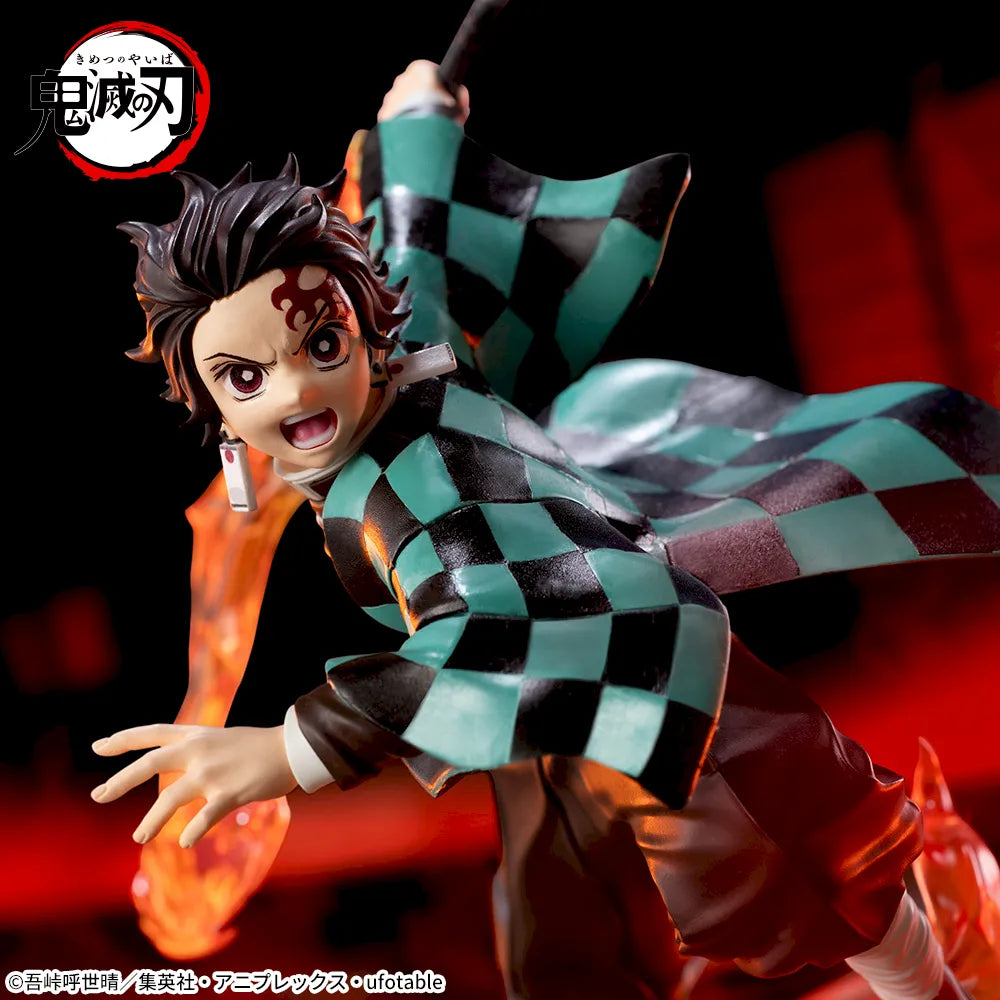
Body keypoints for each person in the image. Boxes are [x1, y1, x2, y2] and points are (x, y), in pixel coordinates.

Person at [95, 61, 996, 998]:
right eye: (246, 377)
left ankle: (935, 974)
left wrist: (295, 749)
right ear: (205, 394)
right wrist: (417, 124)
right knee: (562, 941)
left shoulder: (426, 485)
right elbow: (417, 238)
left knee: (789, 864)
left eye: (321, 346)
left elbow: (495, 619)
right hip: (539, 697)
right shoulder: (405, 339)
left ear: (360, 332)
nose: (296, 392)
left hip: (635, 656)